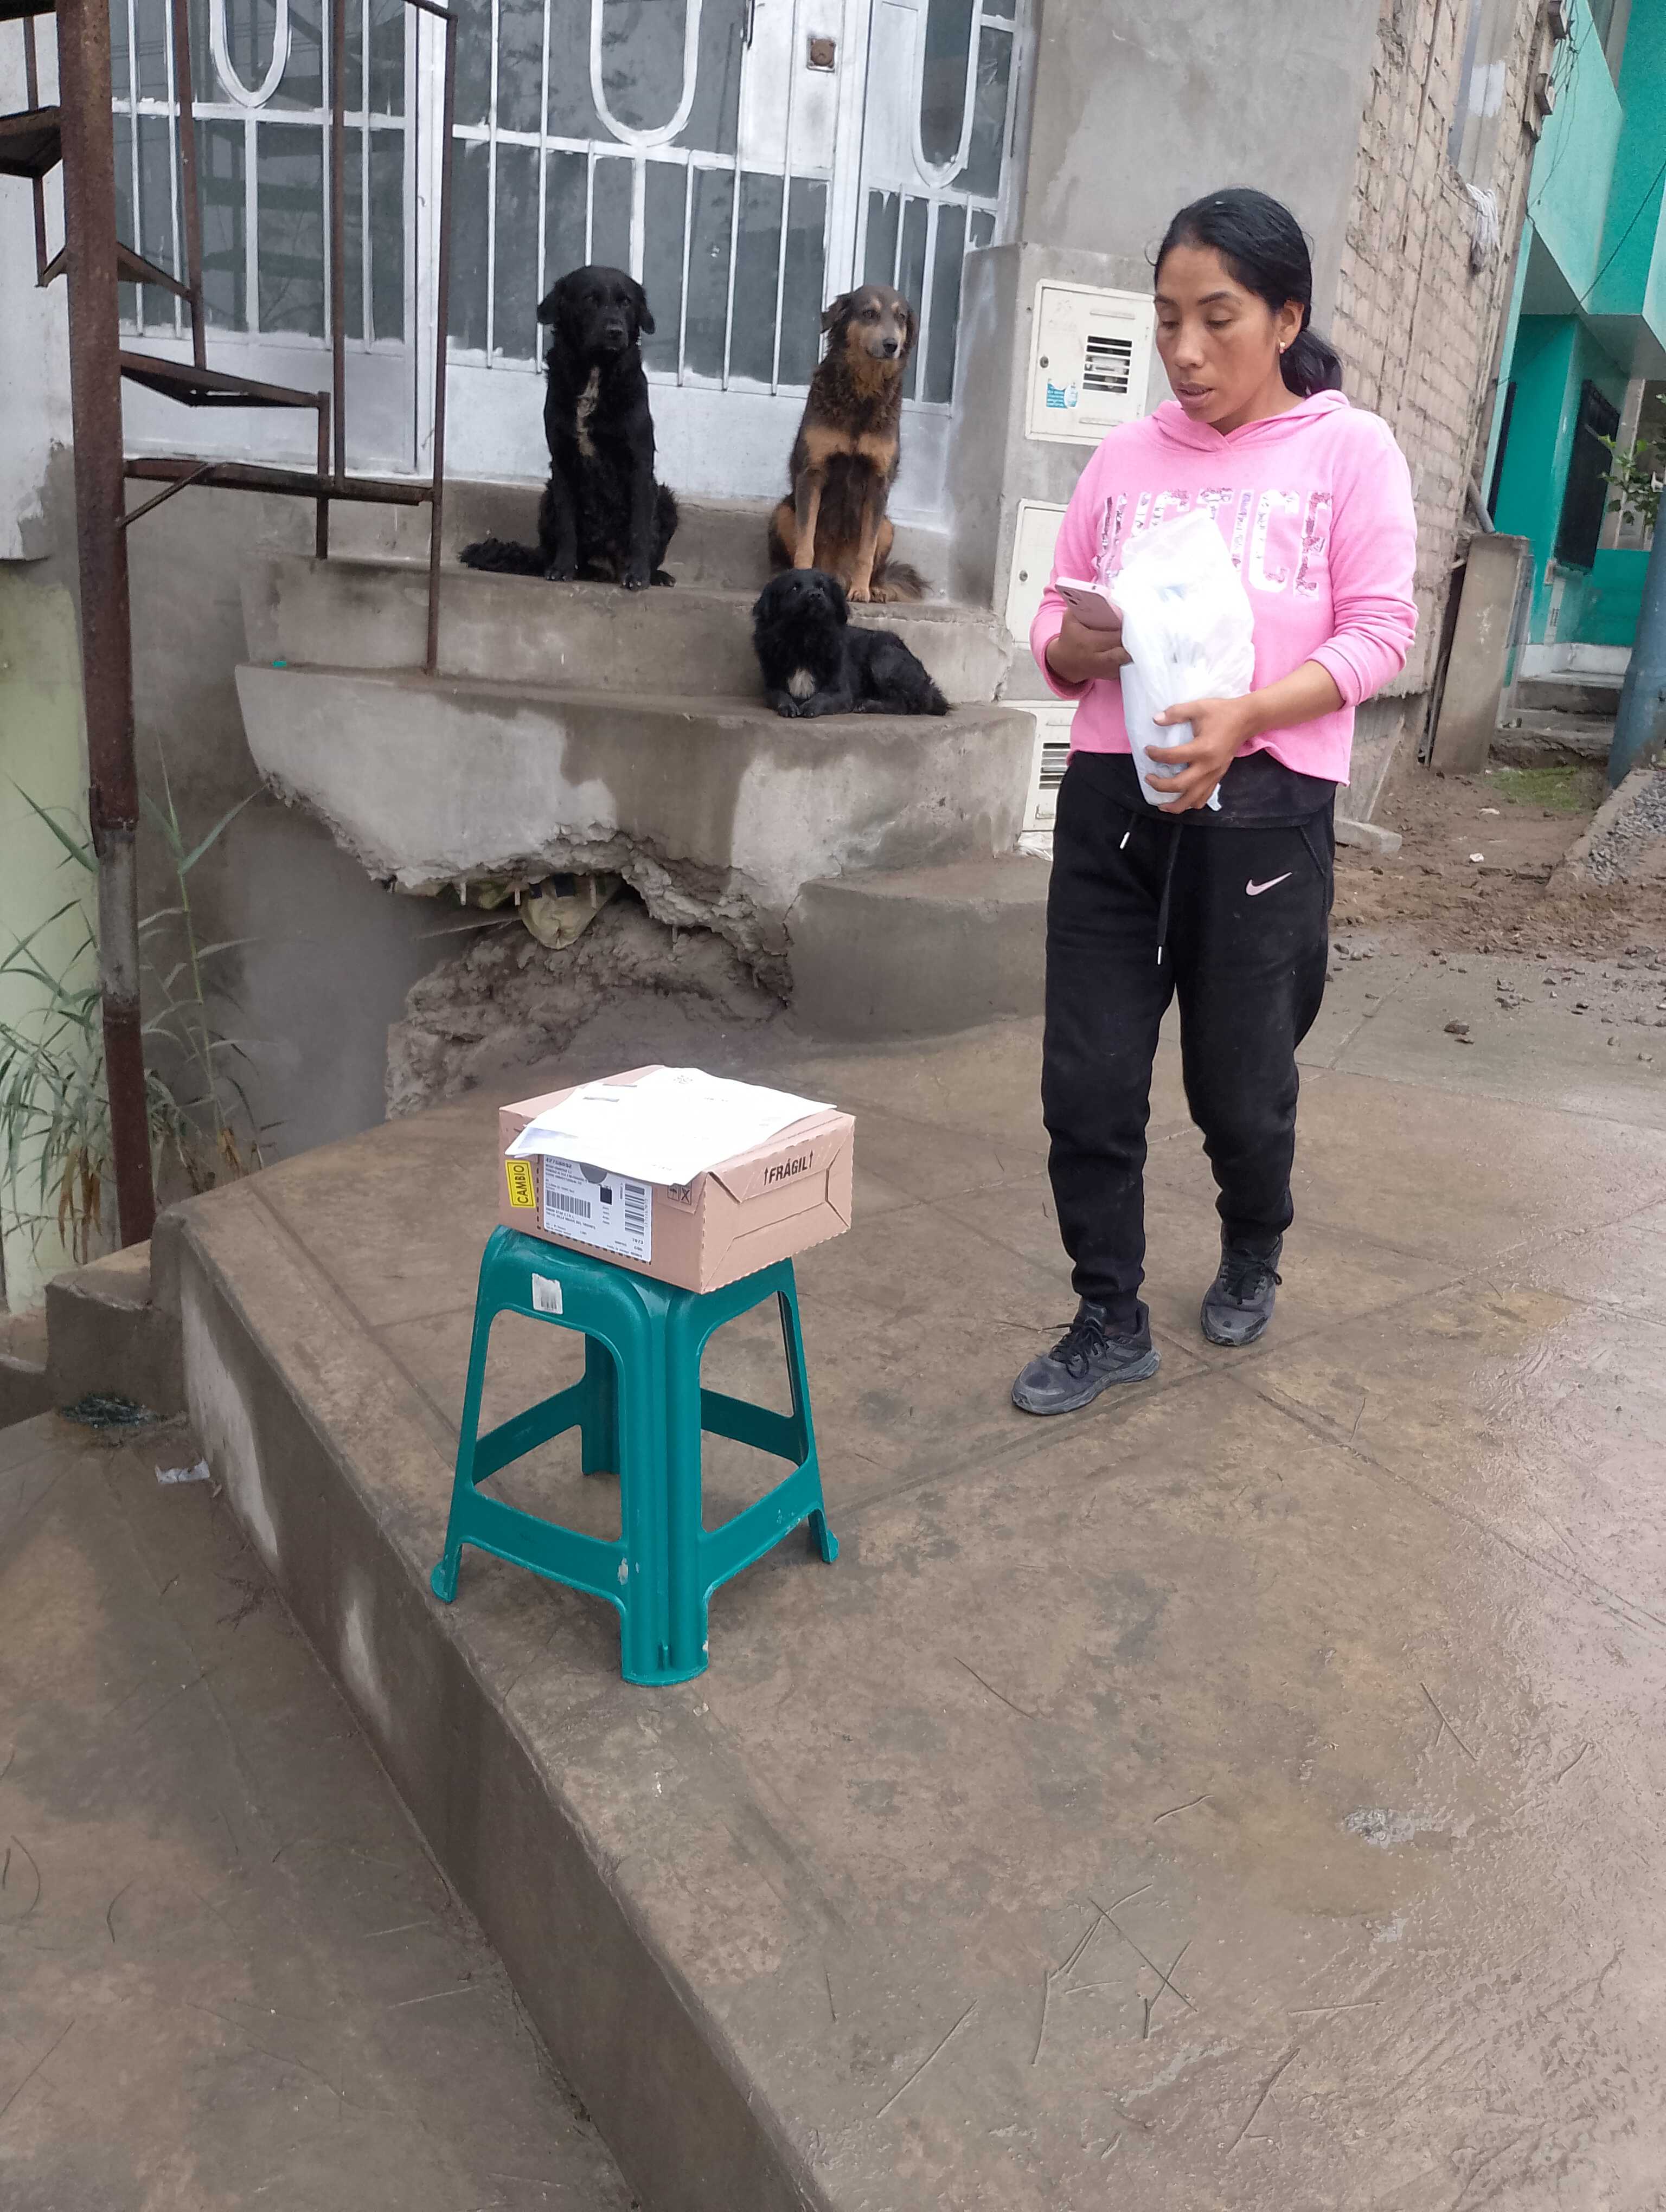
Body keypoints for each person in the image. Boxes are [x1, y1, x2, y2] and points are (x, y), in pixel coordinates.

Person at [1012, 187, 1418, 1417]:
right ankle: (1108, 1316)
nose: (1184, 351)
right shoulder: (1126, 458)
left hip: (1263, 821)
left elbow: (1380, 633)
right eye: (1167, 320)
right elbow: (1053, 612)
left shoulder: (1350, 453)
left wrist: (1248, 715)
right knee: (1087, 1084)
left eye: (1218, 319)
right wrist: (1072, 649)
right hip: (1113, 807)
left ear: (1286, 319)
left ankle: (1254, 1241)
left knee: (1239, 1089)